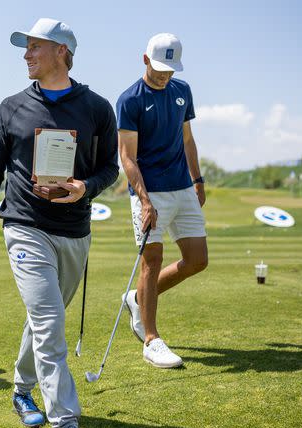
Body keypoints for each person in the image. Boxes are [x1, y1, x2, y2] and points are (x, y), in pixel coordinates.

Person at [0, 18, 118, 428]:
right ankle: (67, 425)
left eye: (35, 46)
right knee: (51, 324)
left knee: (43, 320)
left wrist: (84, 188)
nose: (26, 54)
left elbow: (110, 166)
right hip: (24, 228)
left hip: (74, 232)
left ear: (61, 53)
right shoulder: (11, 106)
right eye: (26, 47)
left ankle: (20, 388)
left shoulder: (97, 108)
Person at [116, 33, 208, 368]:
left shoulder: (182, 92)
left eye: (169, 71)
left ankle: (138, 298)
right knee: (151, 261)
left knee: (197, 260)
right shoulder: (130, 100)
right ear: (145, 60)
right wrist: (144, 201)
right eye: (157, 69)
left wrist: (197, 179)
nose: (163, 76)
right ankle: (151, 339)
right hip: (148, 191)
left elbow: (187, 140)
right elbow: (127, 157)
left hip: (182, 187)